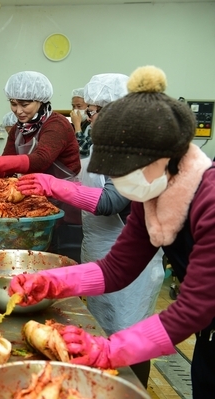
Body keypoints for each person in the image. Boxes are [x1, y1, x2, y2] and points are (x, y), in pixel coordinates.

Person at [8, 65, 215, 398]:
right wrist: (54, 283)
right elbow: (118, 268)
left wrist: (110, 350)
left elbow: (194, 308)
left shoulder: (209, 200)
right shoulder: (151, 194)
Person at [15, 73, 164, 387]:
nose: (87, 119)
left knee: (130, 340)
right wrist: (51, 188)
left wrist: (56, 186)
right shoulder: (104, 146)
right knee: (101, 333)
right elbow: (86, 184)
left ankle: (133, 392)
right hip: (101, 254)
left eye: (93, 112)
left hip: (131, 265)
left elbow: (111, 201)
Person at [0, 71, 81, 182]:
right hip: (33, 191)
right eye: (13, 104)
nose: (18, 111)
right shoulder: (18, 129)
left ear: (41, 101)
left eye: (24, 105)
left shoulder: (57, 124)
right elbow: (7, 166)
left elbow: (41, 160)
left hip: (63, 196)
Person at [70, 87, 92, 158]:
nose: (75, 109)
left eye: (79, 106)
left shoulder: (91, 125)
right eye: (73, 106)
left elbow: (83, 149)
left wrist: (77, 126)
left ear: (88, 107)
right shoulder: (70, 126)